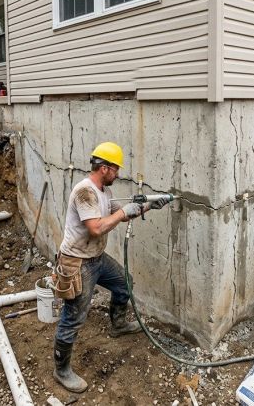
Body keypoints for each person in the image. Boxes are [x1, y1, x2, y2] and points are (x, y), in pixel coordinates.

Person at [52, 141, 170, 393]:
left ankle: (118, 324)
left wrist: (149, 205)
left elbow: (121, 213)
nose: (118, 174)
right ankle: (61, 370)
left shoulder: (103, 192)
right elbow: (96, 228)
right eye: (116, 169)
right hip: (77, 262)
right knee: (73, 318)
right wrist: (123, 213)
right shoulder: (85, 193)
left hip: (96, 258)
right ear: (104, 168)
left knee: (124, 283)